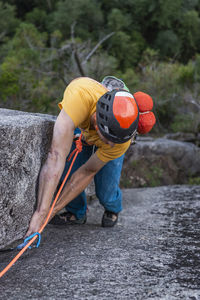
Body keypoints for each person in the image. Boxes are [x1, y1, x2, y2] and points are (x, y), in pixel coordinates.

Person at [25, 76, 155, 237]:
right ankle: (77, 213)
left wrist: (52, 211)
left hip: (108, 132)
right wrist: (41, 212)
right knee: (67, 172)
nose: (111, 144)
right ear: (98, 120)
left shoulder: (120, 142)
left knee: (106, 190)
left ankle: (112, 208)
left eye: (112, 141)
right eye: (107, 138)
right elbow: (55, 156)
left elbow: (87, 172)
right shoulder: (79, 95)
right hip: (85, 127)